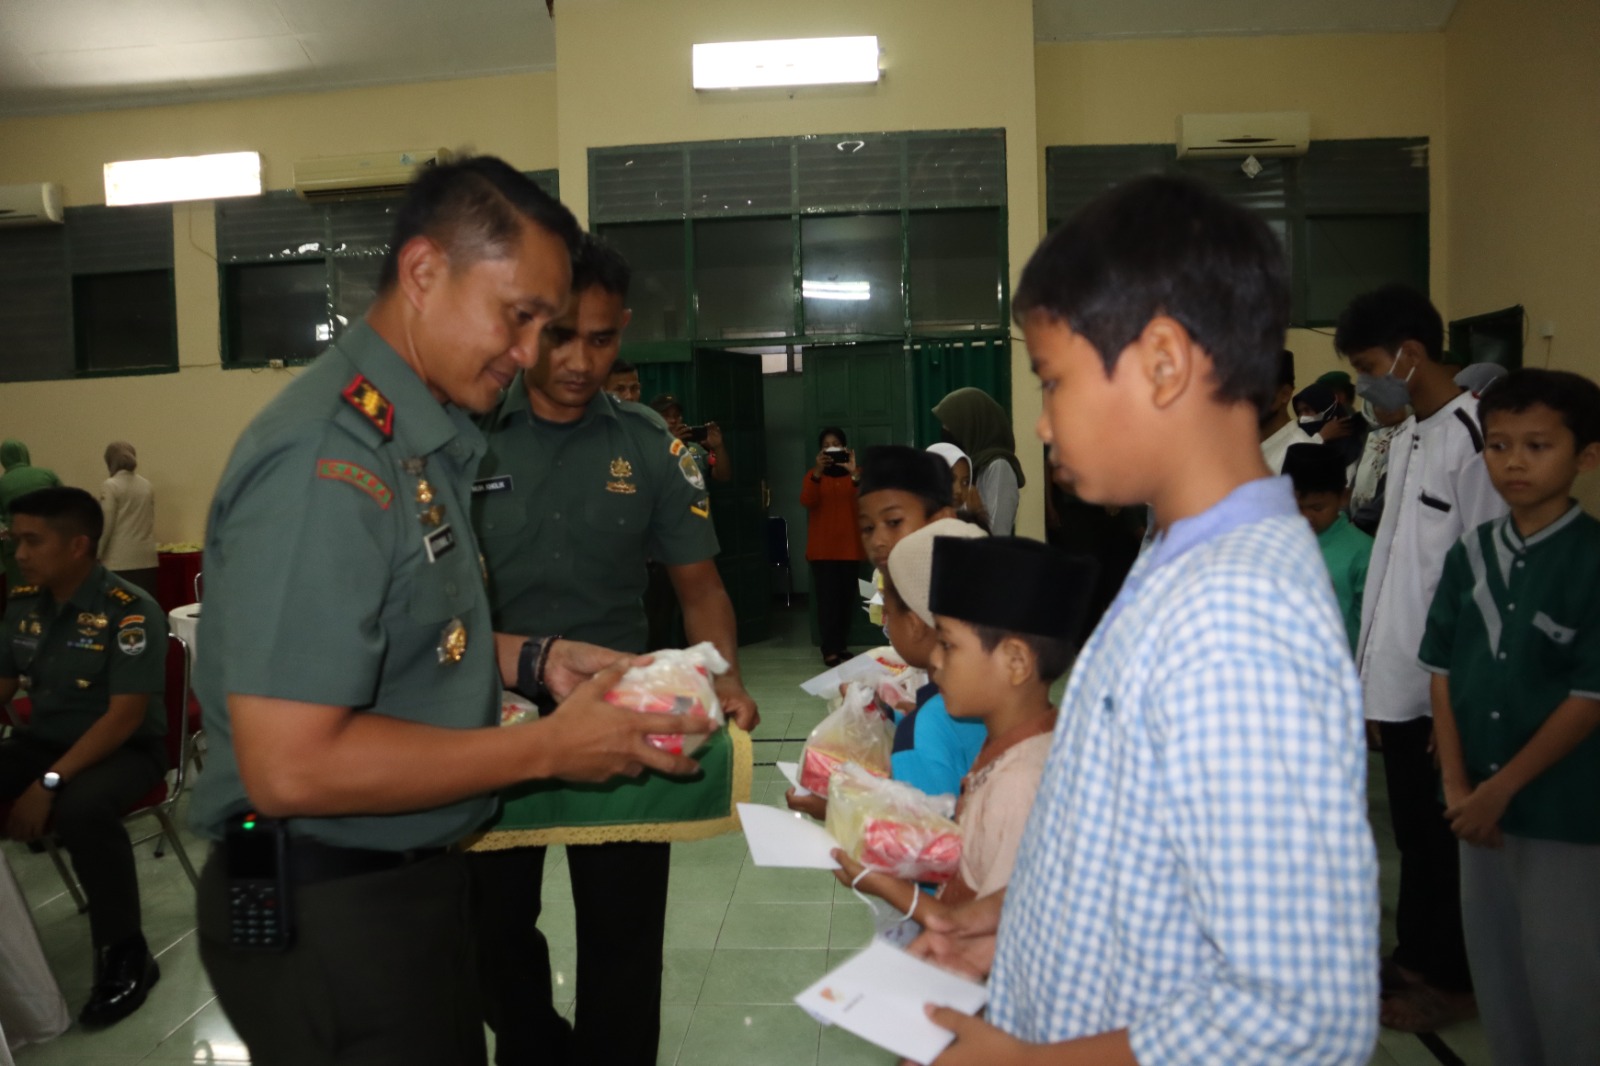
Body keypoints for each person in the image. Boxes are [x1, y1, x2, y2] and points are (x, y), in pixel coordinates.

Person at [187, 156, 713, 1066]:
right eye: (519, 319)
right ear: (425, 273)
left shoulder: (412, 438)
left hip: (393, 883)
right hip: (327, 900)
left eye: (546, 326)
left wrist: (531, 659)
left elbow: (401, 633)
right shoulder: (330, 461)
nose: (529, 354)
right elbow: (289, 766)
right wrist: (545, 747)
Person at [912, 174, 1377, 1065]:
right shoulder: (1179, 559)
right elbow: (1135, 841)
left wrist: (1029, 1062)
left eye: (1053, 381)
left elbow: (1302, 1018)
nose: (1042, 425)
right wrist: (1013, 925)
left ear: (1164, 361)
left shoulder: (1238, 623)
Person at [468, 233, 758, 1066]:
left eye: (601, 338)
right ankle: (536, 1048)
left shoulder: (650, 447)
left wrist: (726, 675)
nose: (580, 361)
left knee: (624, 933)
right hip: (490, 708)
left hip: (623, 709)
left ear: (623, 328)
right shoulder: (468, 433)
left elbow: (700, 588)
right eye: (560, 336)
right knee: (488, 925)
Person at [1419, 368, 1600, 1066]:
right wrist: (1461, 788)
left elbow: (1588, 699)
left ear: (1585, 455)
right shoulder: (1471, 555)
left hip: (1563, 811)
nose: (1514, 462)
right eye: (1498, 446)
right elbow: (1441, 669)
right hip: (1475, 814)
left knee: (1569, 985)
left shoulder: (1589, 559)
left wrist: (1498, 790)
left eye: (1537, 445)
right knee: (1500, 979)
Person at [1339, 282, 1503, 1033]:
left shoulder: (1475, 437)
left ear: (1409, 356)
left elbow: (1487, 577)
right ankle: (1415, 955)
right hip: (1394, 678)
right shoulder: (1406, 433)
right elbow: (1397, 565)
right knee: (1411, 832)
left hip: (1442, 686)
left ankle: (1455, 979)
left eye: (1369, 365)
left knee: (1443, 841)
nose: (1365, 383)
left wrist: (1460, 694)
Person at [836, 535, 1091, 928]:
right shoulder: (1012, 743)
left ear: (1016, 662)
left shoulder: (1020, 783)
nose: (935, 660)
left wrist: (883, 883)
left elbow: (996, 933)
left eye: (949, 646)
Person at [0, 487, 168, 1027]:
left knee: (81, 809)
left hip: (123, 749)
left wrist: (47, 782)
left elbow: (122, 718)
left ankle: (126, 954)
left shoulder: (130, 610)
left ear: (78, 546)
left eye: (32, 541)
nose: (20, 553)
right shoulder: (24, 601)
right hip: (46, 740)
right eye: (14, 539)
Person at [786, 517, 989, 821]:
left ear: (915, 624)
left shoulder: (921, 731)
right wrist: (893, 713)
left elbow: (920, 846)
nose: (884, 622)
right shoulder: (988, 696)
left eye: (889, 613)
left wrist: (834, 810)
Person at [854, 445, 957, 628]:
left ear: (941, 521)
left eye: (894, 522)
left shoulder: (965, 603)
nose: (877, 541)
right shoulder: (891, 589)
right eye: (868, 528)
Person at [1285, 443, 1372, 654]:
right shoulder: (1277, 541)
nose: (1305, 517)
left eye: (1317, 507)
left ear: (1343, 497)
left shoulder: (1362, 551)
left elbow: (1368, 629)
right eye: (1296, 507)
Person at [803, 426, 864, 667]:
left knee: (845, 601)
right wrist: (817, 472)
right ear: (820, 450)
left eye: (836, 444)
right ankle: (829, 649)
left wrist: (854, 474)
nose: (831, 448)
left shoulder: (857, 475)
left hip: (850, 549)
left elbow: (866, 504)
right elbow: (808, 500)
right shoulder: (813, 476)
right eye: (826, 445)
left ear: (845, 448)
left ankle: (840, 646)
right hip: (823, 550)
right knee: (827, 601)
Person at [933, 388, 1024, 535]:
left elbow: (998, 533)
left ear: (970, 426)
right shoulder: (968, 464)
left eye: (949, 426)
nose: (944, 431)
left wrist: (977, 514)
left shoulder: (998, 467)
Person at [97, 442, 158, 597]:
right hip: (148, 560)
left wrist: (96, 553)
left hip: (119, 562)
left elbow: (106, 524)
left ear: (110, 461)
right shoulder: (147, 485)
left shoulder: (110, 485)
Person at [0, 440, 62, 593]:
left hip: (16, 543)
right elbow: (67, 503)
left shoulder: (2, 483)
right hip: (49, 536)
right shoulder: (47, 474)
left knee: (21, 591)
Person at [1349, 398, 1411, 536]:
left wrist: (1361, 521)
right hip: (1360, 524)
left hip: (1389, 525)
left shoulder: (1413, 435)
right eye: (1378, 404)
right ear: (1370, 410)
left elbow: (1393, 486)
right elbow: (1356, 479)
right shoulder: (1372, 439)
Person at [649, 393, 731, 483]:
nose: (673, 420)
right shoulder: (645, 447)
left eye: (676, 415)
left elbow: (723, 476)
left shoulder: (694, 448)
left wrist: (718, 447)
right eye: (665, 416)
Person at [926, 442, 989, 527]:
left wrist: (978, 516)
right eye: (951, 479)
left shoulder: (966, 525)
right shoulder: (917, 522)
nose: (959, 490)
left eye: (965, 482)